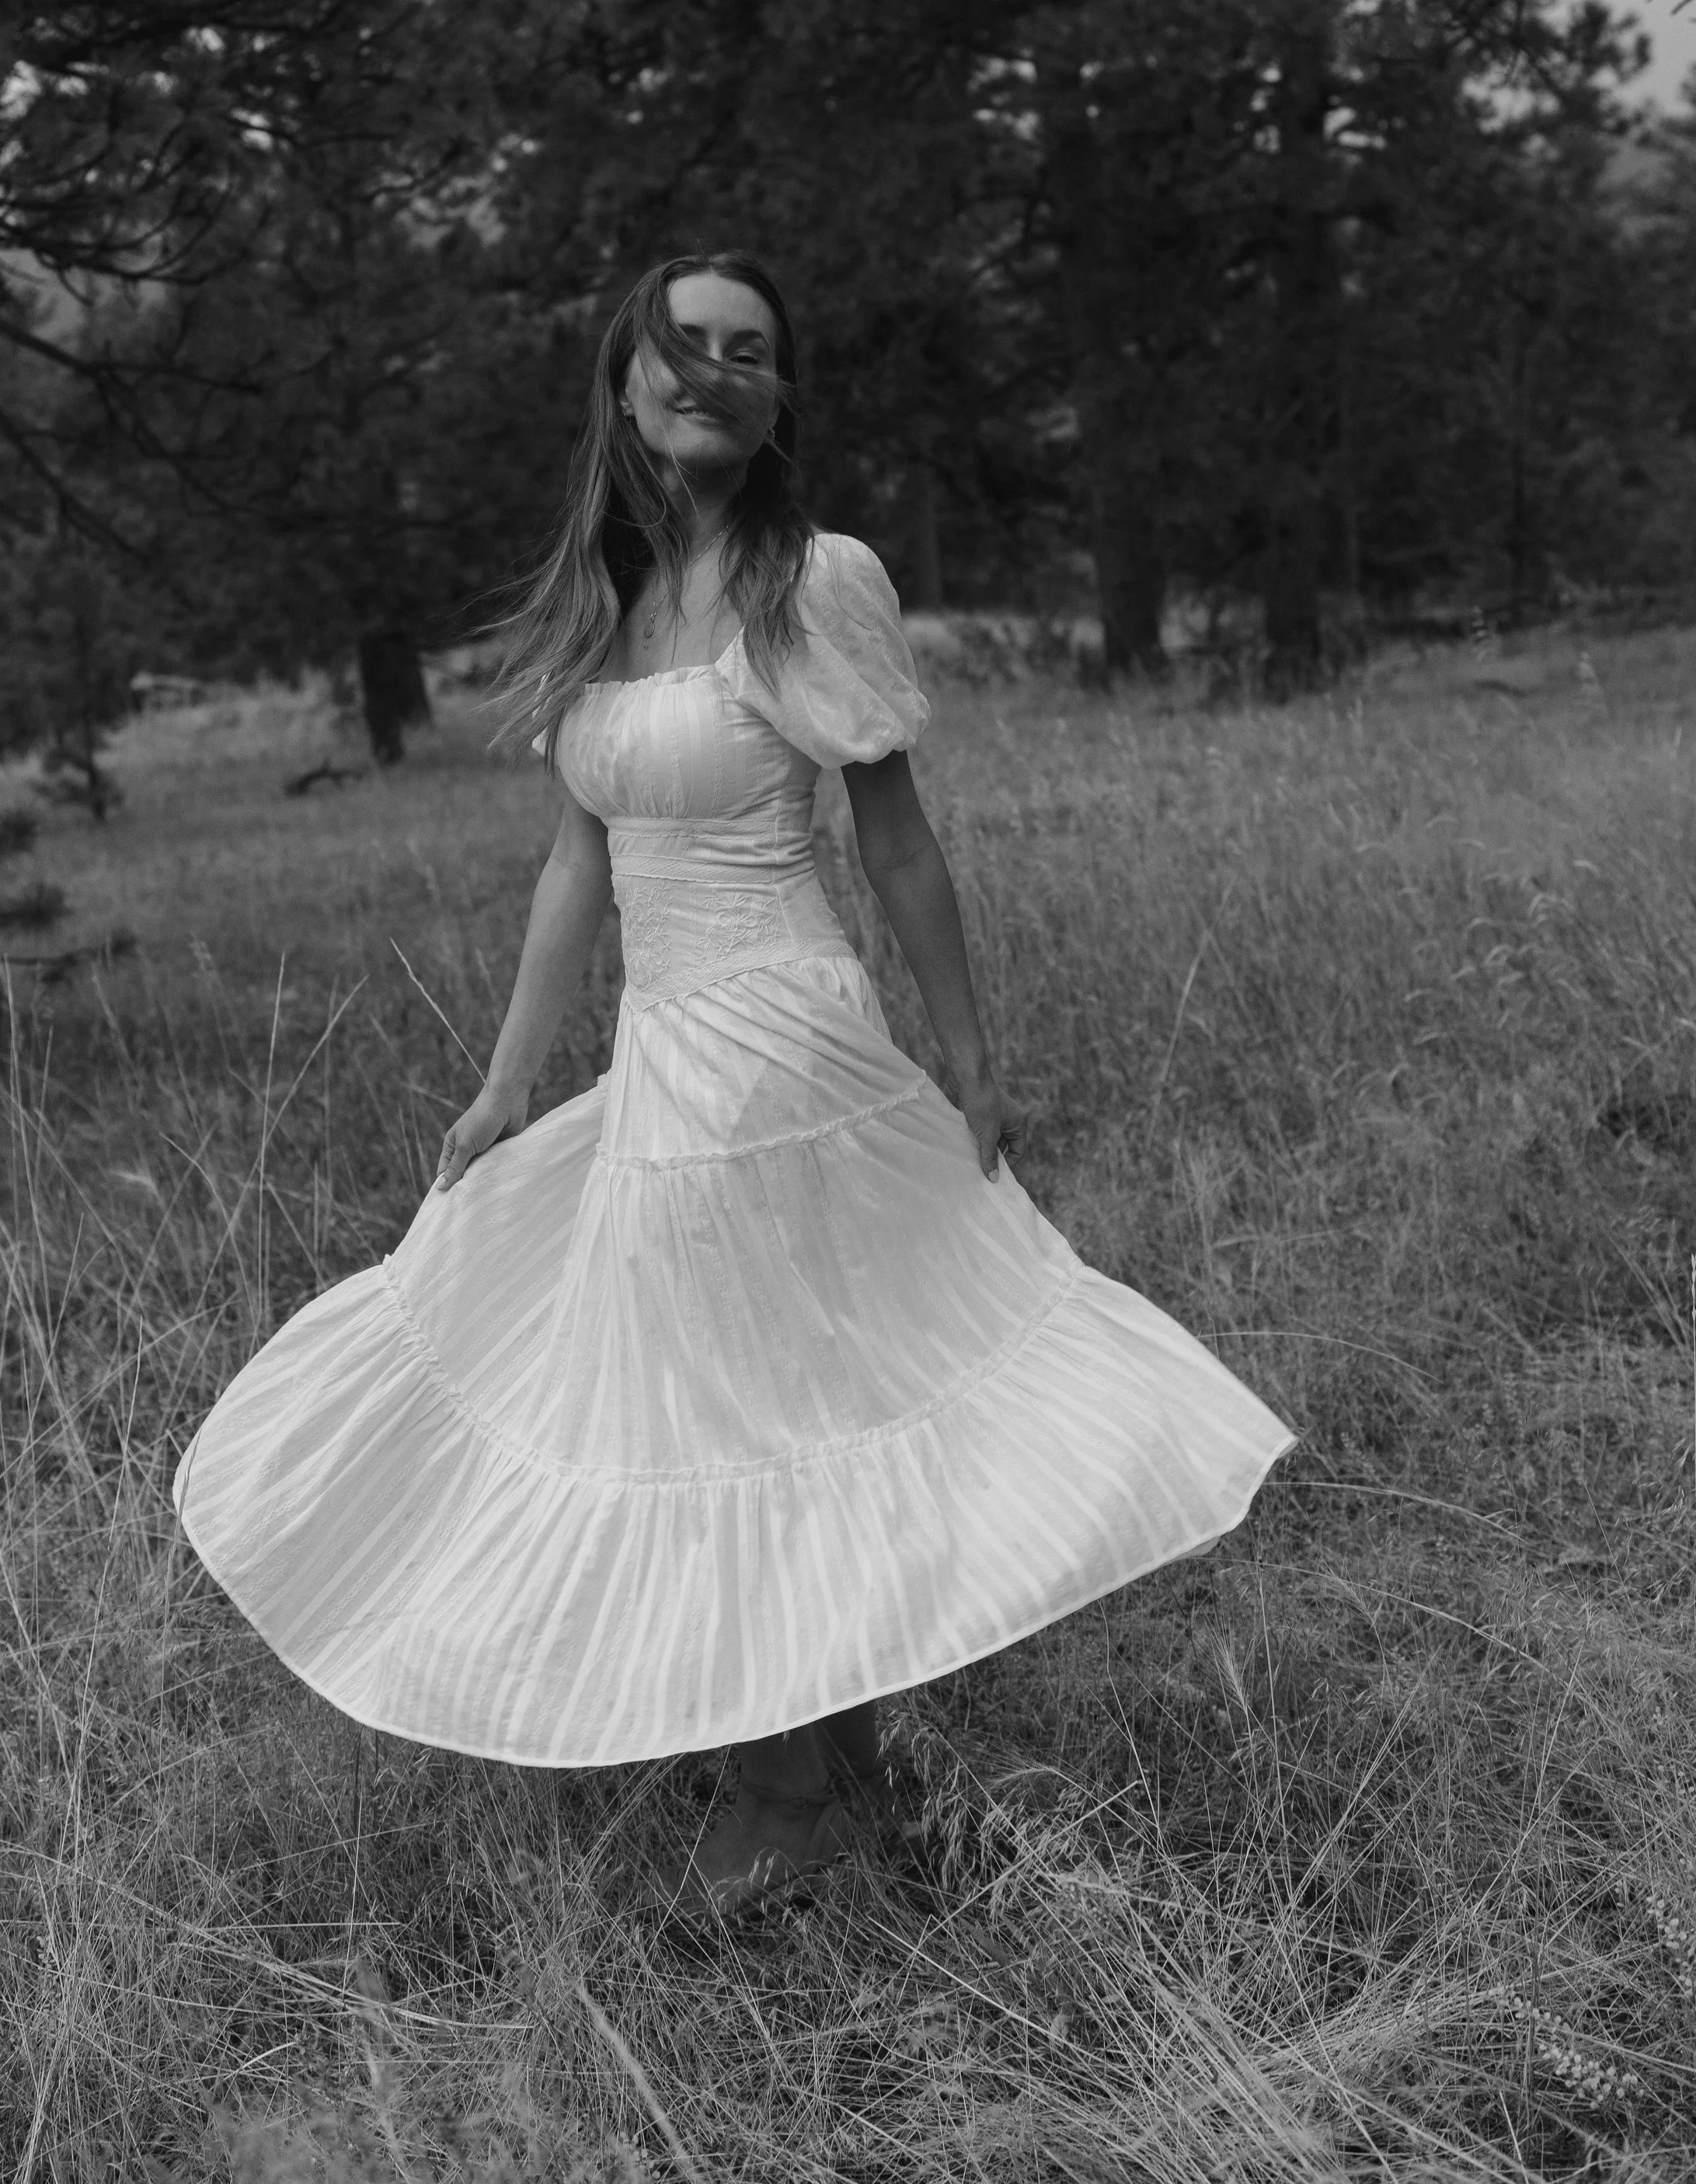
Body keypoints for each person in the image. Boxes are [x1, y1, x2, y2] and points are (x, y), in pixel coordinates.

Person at [173, 255, 1293, 1915]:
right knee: (747, 1391)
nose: (708, 369)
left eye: (746, 351)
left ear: (776, 397)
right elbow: (577, 864)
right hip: (663, 1043)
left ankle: (782, 1793)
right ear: (624, 381)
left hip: (776, 1032)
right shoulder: (599, 600)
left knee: (720, 1394)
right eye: (680, 345)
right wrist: (500, 1087)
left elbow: (892, 837)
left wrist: (969, 1055)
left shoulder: (814, 576)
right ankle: (821, 1760)